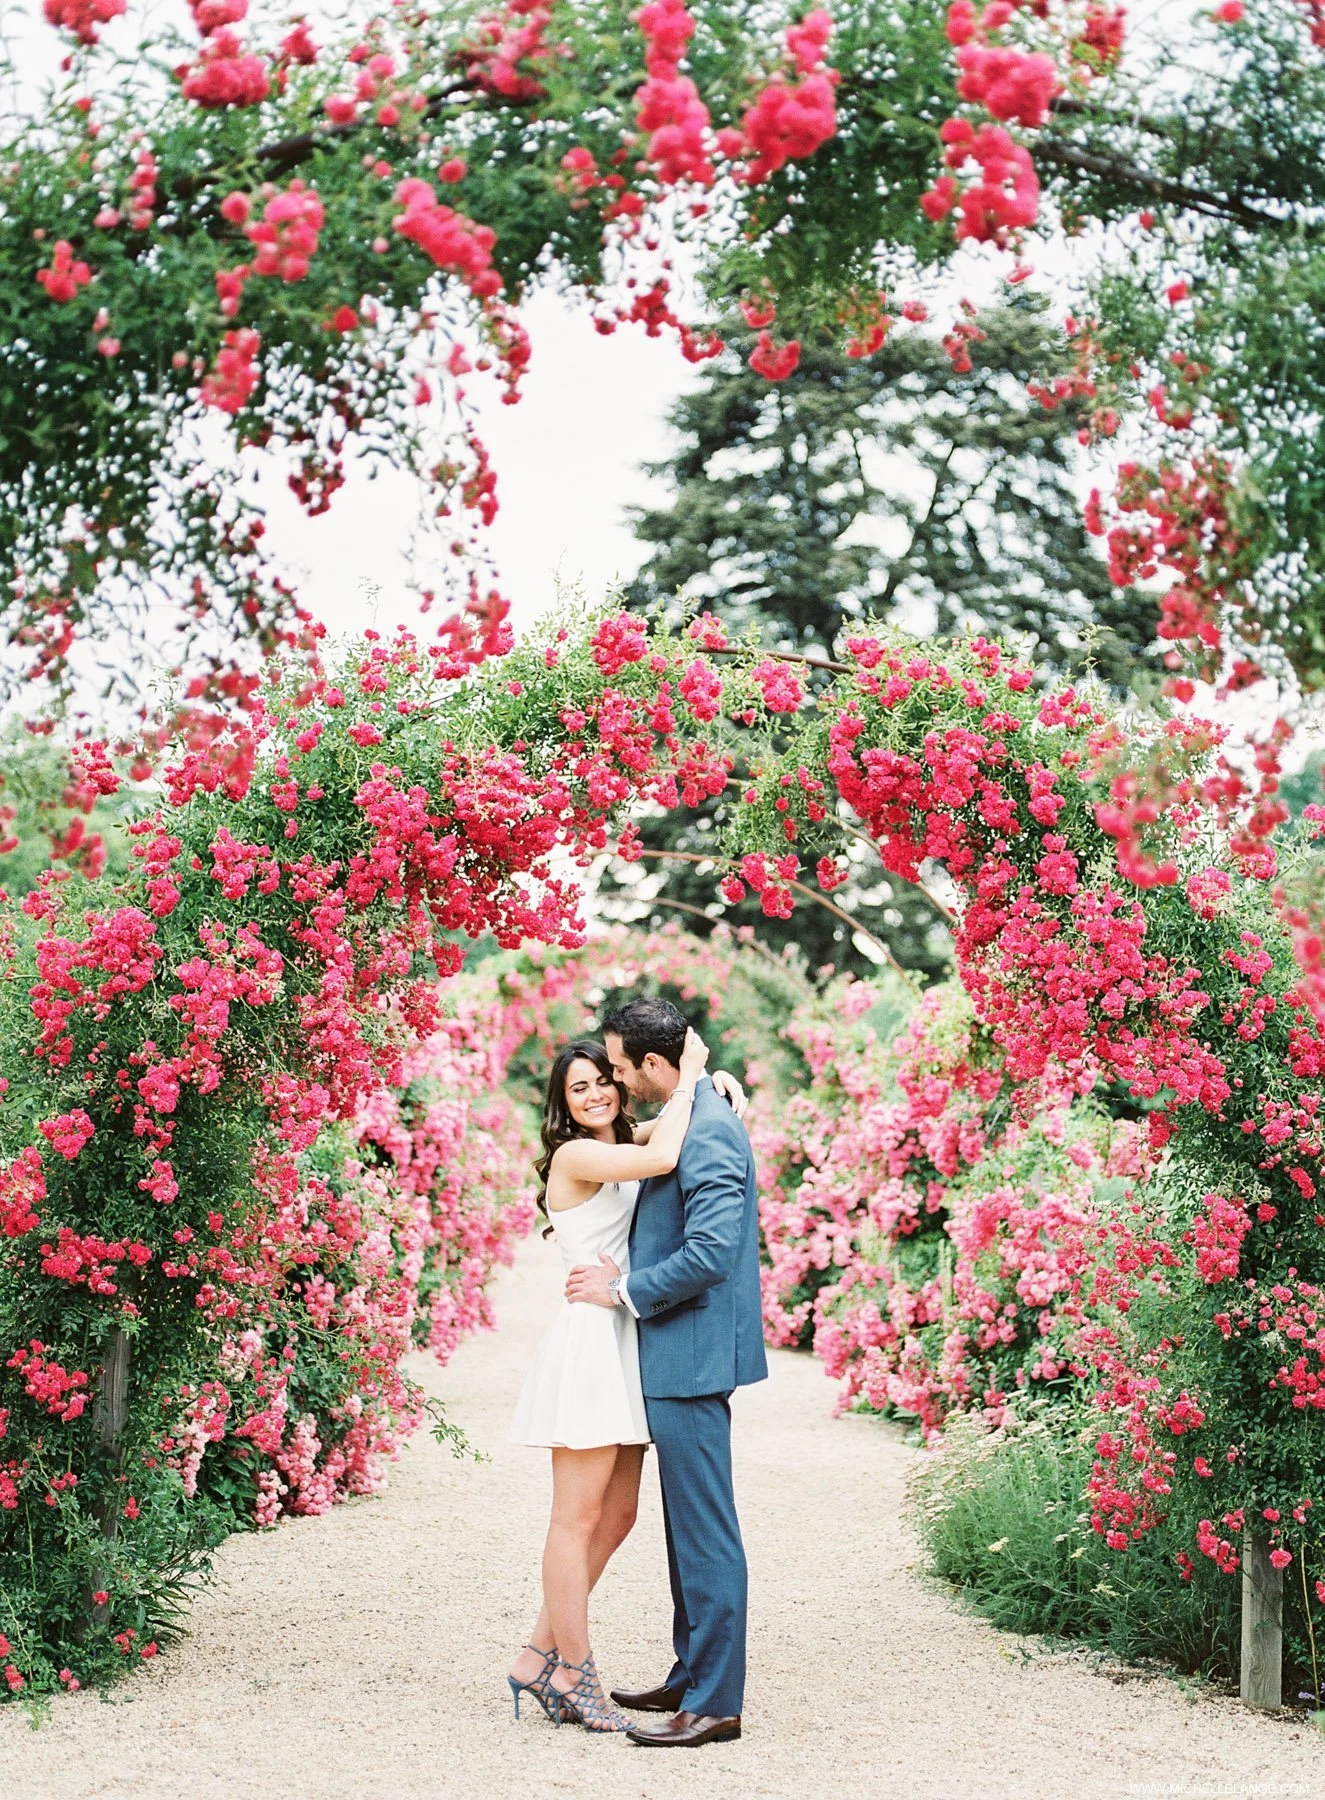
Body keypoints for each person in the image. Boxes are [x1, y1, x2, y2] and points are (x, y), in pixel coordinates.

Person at [507, 1028, 746, 1733]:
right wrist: (694, 1071)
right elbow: (665, 1152)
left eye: (600, 1079)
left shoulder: (630, 1135)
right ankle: (574, 1674)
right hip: (590, 1336)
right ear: (560, 1103)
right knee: (574, 1519)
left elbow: (673, 1125)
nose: (593, 1093)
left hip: (626, 1337)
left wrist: (715, 1086)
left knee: (617, 1517)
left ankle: (533, 1655)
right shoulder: (579, 1154)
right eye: (576, 1087)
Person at [564, 995, 767, 1749]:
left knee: (707, 1534)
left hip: (688, 1355)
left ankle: (715, 1703)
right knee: (687, 1530)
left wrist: (623, 1291)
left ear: (654, 1063)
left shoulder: (709, 1130)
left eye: (619, 1067)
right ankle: (691, 1673)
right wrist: (702, 1077)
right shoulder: (697, 1108)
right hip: (674, 1353)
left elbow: (711, 1254)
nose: (613, 1079)